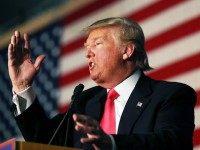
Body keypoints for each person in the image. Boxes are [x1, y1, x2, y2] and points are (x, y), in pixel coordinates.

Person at [8, 17, 196, 150]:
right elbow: (43, 141)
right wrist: (23, 86)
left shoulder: (170, 95)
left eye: (97, 44)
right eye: (86, 48)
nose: (87, 54)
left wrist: (111, 144)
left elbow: (172, 143)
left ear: (127, 51)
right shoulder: (85, 102)